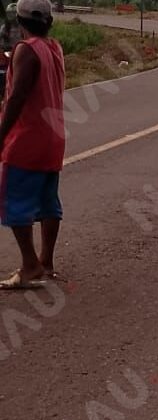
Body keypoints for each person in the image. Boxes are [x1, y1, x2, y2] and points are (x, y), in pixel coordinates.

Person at [0, 0, 65, 289]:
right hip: (53, 138)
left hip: (28, 139)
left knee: (14, 202)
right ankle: (46, 263)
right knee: (48, 201)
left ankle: (30, 265)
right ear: (49, 22)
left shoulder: (26, 50)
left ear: (20, 21)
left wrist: (1, 134)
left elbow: (16, 98)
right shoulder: (54, 48)